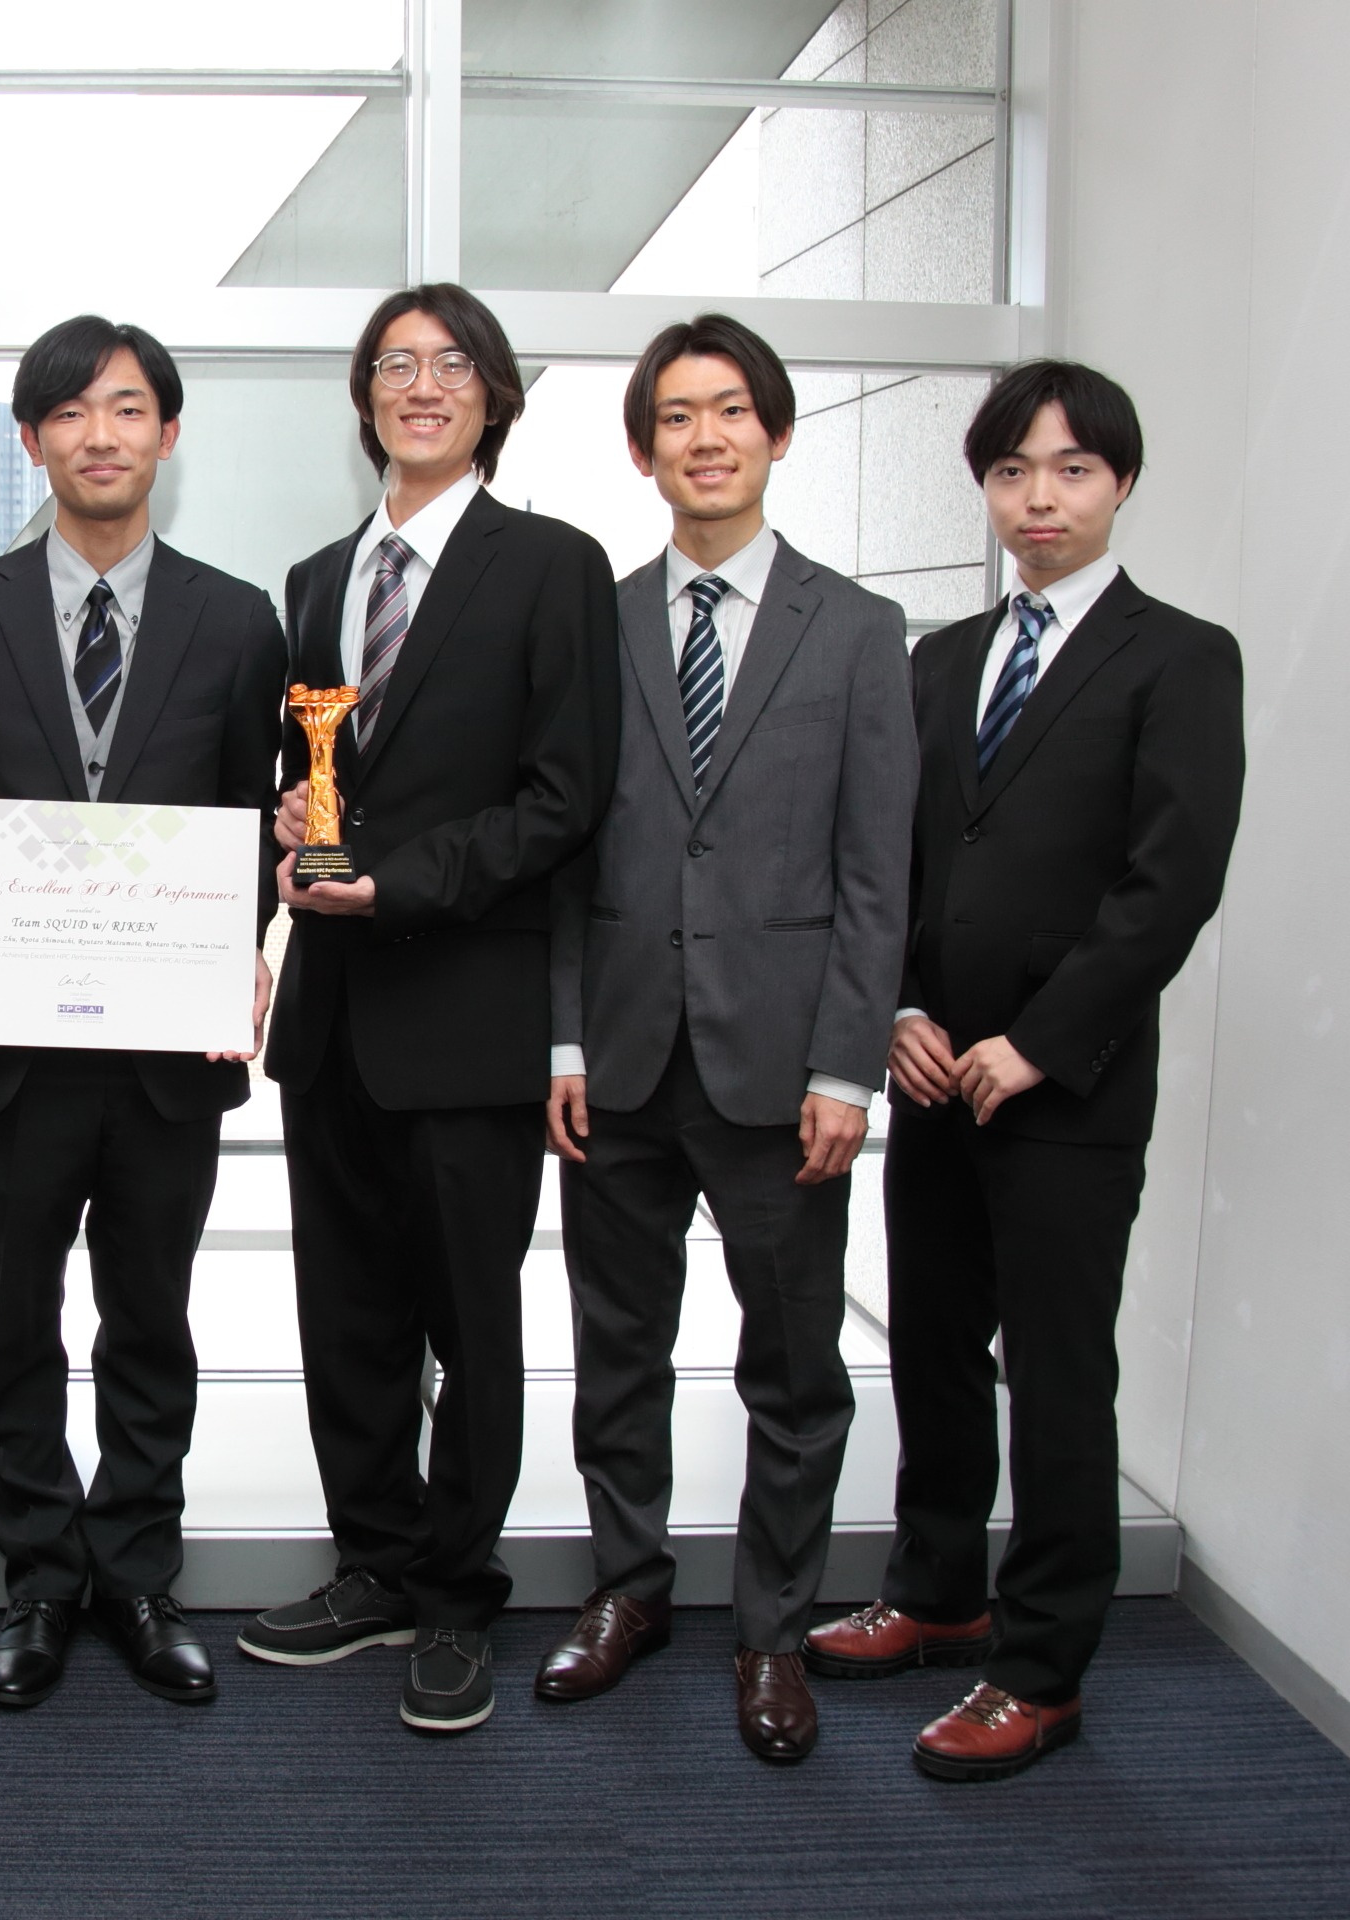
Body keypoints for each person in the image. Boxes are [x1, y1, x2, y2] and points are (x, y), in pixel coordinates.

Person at [804, 360, 1244, 1780]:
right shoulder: (940, 662)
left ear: (1121, 483)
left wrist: (1040, 1043)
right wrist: (899, 1008)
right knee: (930, 1349)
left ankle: (1044, 1668)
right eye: (1010, 472)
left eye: (1070, 470)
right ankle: (938, 1593)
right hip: (935, 1072)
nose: (1038, 498)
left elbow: (1170, 886)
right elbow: (891, 860)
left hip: (1068, 1089)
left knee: (1055, 1376)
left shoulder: (1181, 659)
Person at [0, 316, 287, 1709]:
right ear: (31, 440)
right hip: (8, 1045)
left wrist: (248, 946)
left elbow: (250, 820)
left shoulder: (239, 622)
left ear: (168, 435)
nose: (99, 434)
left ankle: (137, 1573)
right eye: (69, 412)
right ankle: (41, 1578)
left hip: (167, 1046)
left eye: (126, 409)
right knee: (15, 1321)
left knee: (150, 1317)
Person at [535, 313, 914, 1763]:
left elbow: (877, 872)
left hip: (783, 1071)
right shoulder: (598, 621)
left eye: (732, 410)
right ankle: (628, 1589)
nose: (706, 437)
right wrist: (563, 1042)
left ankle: (772, 1633)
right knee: (616, 1351)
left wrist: (848, 1065)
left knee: (795, 1368)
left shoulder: (860, 630)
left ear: (778, 433)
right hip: (620, 1063)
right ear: (644, 451)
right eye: (678, 417)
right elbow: (567, 853)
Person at [241, 284, 611, 1736]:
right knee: (347, 1320)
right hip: (332, 1020)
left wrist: (397, 885)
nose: (420, 384)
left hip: (467, 1018)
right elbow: (316, 777)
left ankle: (458, 1594)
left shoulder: (553, 566)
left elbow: (564, 801)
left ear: (493, 396)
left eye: (450, 363)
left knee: (473, 1325)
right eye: (393, 365)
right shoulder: (315, 579)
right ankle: (375, 1566)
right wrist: (296, 824)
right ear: (365, 399)